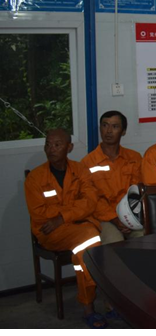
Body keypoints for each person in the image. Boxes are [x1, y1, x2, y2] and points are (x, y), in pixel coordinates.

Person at [24, 129, 105, 328]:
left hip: (76, 227)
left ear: (69, 147)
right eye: (48, 144)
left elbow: (90, 202)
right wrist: (73, 211)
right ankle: (89, 306)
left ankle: (89, 305)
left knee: (84, 252)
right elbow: (40, 214)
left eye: (57, 145)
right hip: (50, 233)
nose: (51, 149)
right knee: (91, 238)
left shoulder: (80, 170)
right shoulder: (35, 178)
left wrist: (62, 217)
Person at [81, 111, 144, 244]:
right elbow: (92, 199)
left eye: (115, 126)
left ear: (123, 131)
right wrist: (115, 219)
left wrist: (129, 217)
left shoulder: (134, 158)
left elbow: (138, 191)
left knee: (144, 238)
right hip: (103, 218)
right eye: (105, 125)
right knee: (115, 242)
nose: (108, 131)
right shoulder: (87, 163)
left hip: (131, 215)